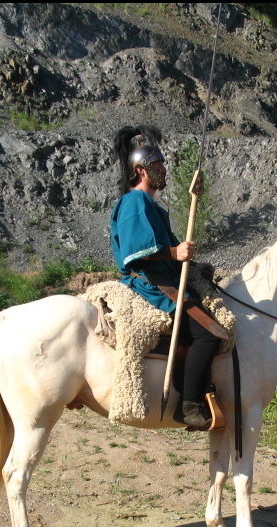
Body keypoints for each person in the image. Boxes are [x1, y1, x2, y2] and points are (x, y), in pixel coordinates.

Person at [110, 124, 222, 429]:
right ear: (142, 170)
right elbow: (136, 252)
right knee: (208, 333)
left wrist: (194, 266)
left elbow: (172, 249)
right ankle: (186, 407)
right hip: (151, 283)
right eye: (157, 165)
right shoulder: (135, 201)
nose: (164, 170)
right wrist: (175, 254)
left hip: (168, 279)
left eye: (162, 164)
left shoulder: (153, 208)